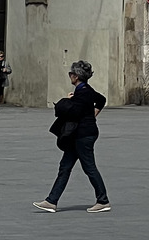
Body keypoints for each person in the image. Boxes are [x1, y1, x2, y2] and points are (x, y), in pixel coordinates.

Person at [35, 60, 111, 214]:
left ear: (76, 76)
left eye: (71, 74)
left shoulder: (82, 93)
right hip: (79, 135)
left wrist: (67, 101)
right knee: (65, 166)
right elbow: (101, 100)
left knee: (89, 167)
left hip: (83, 135)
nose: (69, 76)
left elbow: (73, 111)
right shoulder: (86, 90)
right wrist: (93, 114)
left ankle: (103, 200)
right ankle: (51, 201)